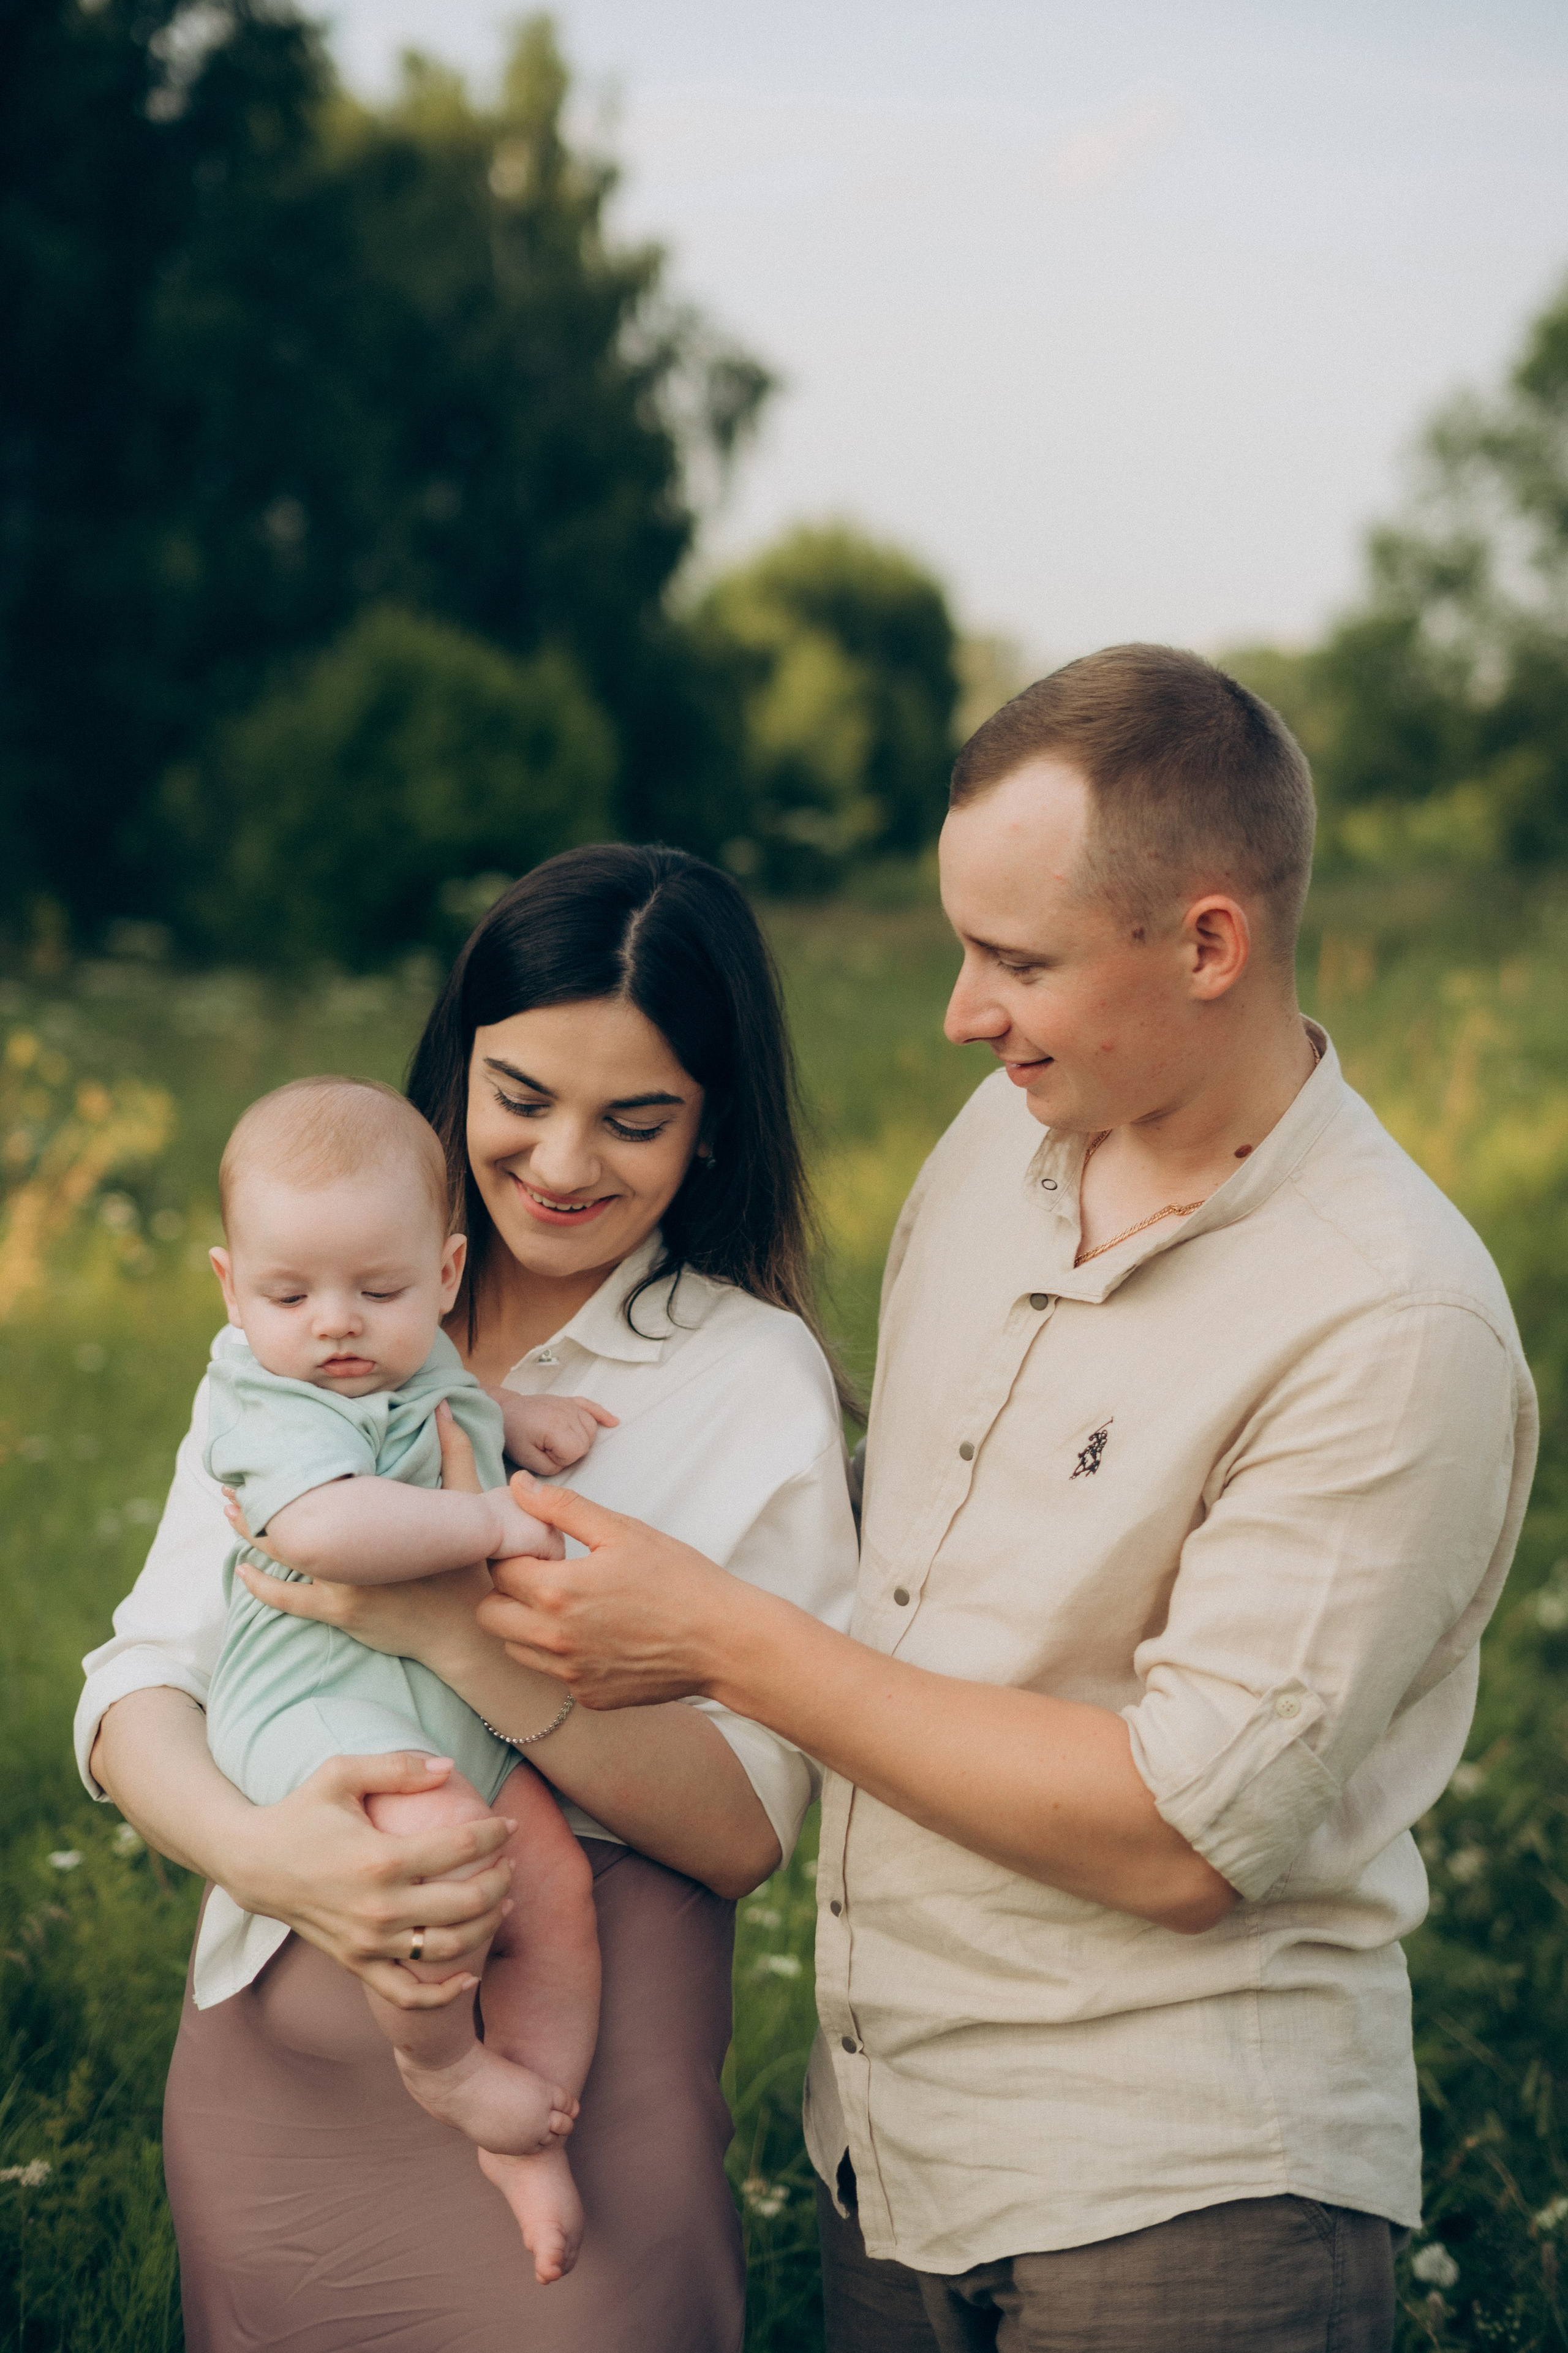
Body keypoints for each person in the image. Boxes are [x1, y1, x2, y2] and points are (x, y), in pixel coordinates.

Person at [468, 648, 1537, 2353]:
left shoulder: (1390, 1320)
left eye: (1016, 961)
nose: (964, 1011)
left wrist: (719, 1640)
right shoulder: (995, 1148)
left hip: (1188, 2201)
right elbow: (899, 1560)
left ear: (1208, 941)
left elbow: (1186, 1836)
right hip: (887, 2160)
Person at [76, 844, 860, 2353]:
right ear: (458, 1074)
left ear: (709, 1132)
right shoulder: (300, 1330)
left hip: (578, 2073)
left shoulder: (745, 1379)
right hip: (272, 2065)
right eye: (521, 1098)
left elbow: (741, 1821)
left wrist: (444, 1623)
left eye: (635, 1119)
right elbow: (136, 1684)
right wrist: (270, 1856)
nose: (565, 1163)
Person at [203, 1074, 607, 2283]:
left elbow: (442, 1386)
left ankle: (535, 2114)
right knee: (440, 1851)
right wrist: (491, 1514)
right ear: (231, 1289)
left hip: (452, 1706)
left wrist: (512, 1412)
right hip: (321, 1701)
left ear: (441, 1275)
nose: (336, 1323)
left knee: (557, 1888)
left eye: (376, 1291)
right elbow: (328, 1532)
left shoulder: (413, 1355)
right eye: (290, 1293)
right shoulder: (263, 1393)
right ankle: (446, 2064)